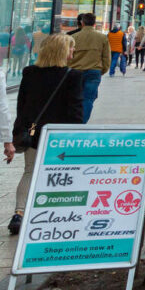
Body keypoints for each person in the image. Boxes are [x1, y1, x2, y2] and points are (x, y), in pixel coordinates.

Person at [9, 33, 81, 235]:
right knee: (59, 175)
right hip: (59, 137)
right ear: (61, 51)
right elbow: (75, 112)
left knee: (30, 172)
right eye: (71, 48)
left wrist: (18, 132)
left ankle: (19, 213)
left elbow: (22, 106)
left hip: (33, 134)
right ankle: (53, 214)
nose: (73, 51)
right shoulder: (72, 76)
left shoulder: (29, 72)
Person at [69, 13, 109, 123]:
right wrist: (102, 70)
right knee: (88, 99)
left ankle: (73, 120)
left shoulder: (74, 37)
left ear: (82, 23)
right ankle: (82, 122)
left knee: (74, 98)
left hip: (75, 71)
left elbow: (68, 57)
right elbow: (106, 57)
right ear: (95, 24)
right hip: (94, 71)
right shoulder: (102, 37)